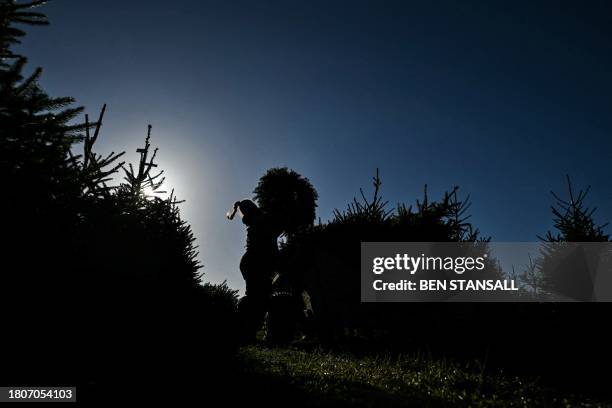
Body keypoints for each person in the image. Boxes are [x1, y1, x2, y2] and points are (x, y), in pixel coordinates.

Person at [227, 199, 282, 342]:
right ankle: (243, 333)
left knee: (258, 297)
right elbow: (275, 233)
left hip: (251, 263)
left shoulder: (255, 221)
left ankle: (246, 332)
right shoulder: (260, 221)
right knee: (257, 298)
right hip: (254, 264)